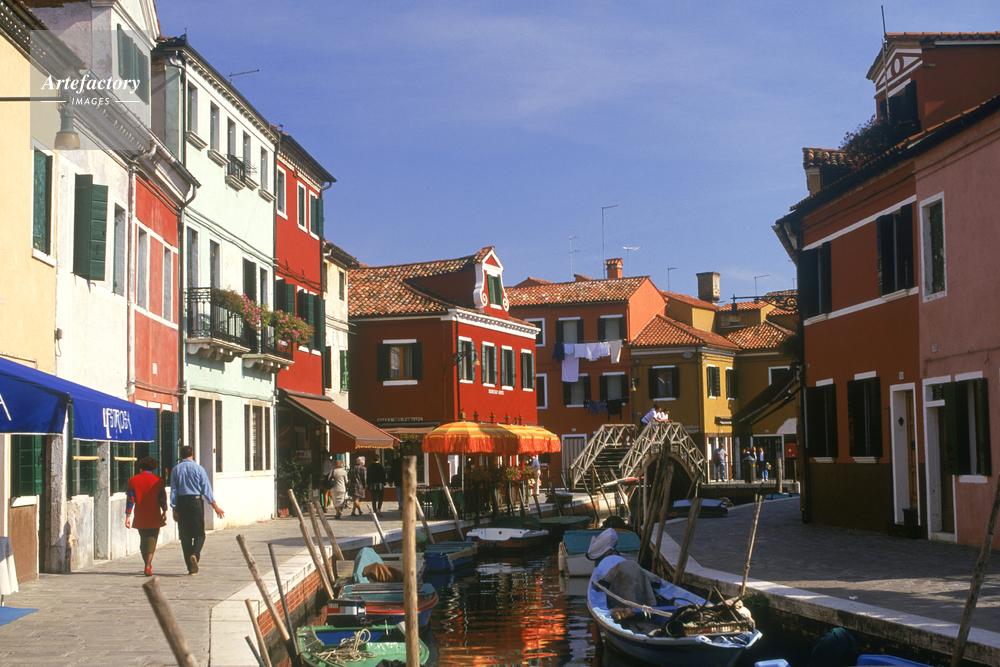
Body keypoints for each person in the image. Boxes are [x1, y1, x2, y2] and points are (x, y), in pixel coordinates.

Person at [170, 446, 225, 575]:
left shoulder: (176, 469)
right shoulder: (199, 469)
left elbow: (174, 491)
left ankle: (190, 567)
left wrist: (174, 509)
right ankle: (195, 554)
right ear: (192, 454)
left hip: (181, 503)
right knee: (200, 533)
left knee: (185, 535)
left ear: (181, 455)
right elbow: (206, 488)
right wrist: (215, 507)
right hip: (195, 502)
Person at [125, 456, 167, 576]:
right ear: (153, 467)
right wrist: (164, 510)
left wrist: (128, 515)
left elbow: (130, 499)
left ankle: (146, 563)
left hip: (140, 514)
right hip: (154, 513)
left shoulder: (133, 480)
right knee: (152, 539)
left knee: (143, 540)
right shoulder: (158, 480)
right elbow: (162, 498)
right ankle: (147, 565)